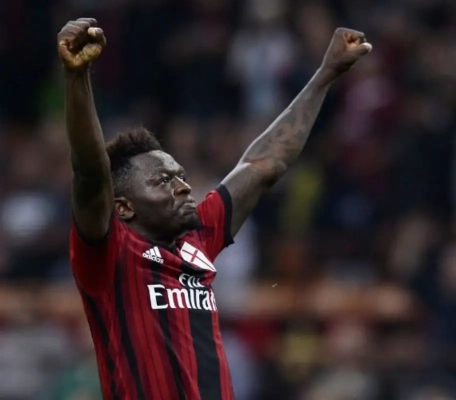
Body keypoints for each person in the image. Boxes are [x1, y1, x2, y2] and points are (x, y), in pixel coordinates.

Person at [57, 17, 372, 400]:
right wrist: (78, 77)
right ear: (123, 207)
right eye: (162, 181)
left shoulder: (198, 237)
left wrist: (324, 75)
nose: (183, 186)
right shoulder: (109, 254)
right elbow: (90, 172)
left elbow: (264, 164)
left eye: (180, 175)